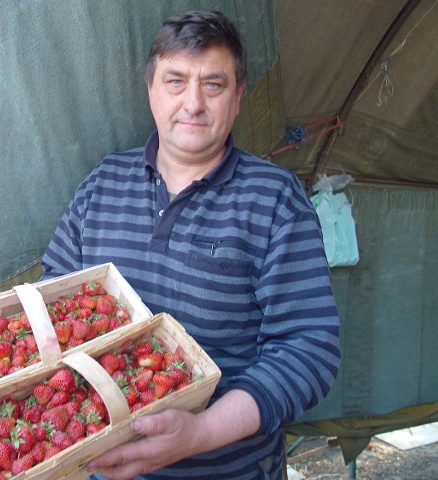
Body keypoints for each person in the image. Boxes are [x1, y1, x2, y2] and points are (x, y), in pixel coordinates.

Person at [41, 10, 341, 480]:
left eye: (214, 85)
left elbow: (308, 348)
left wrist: (201, 432)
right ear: (151, 92)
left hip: (228, 470)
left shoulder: (275, 200)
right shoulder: (102, 185)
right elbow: (52, 298)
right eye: (176, 81)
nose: (193, 103)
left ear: (239, 97)